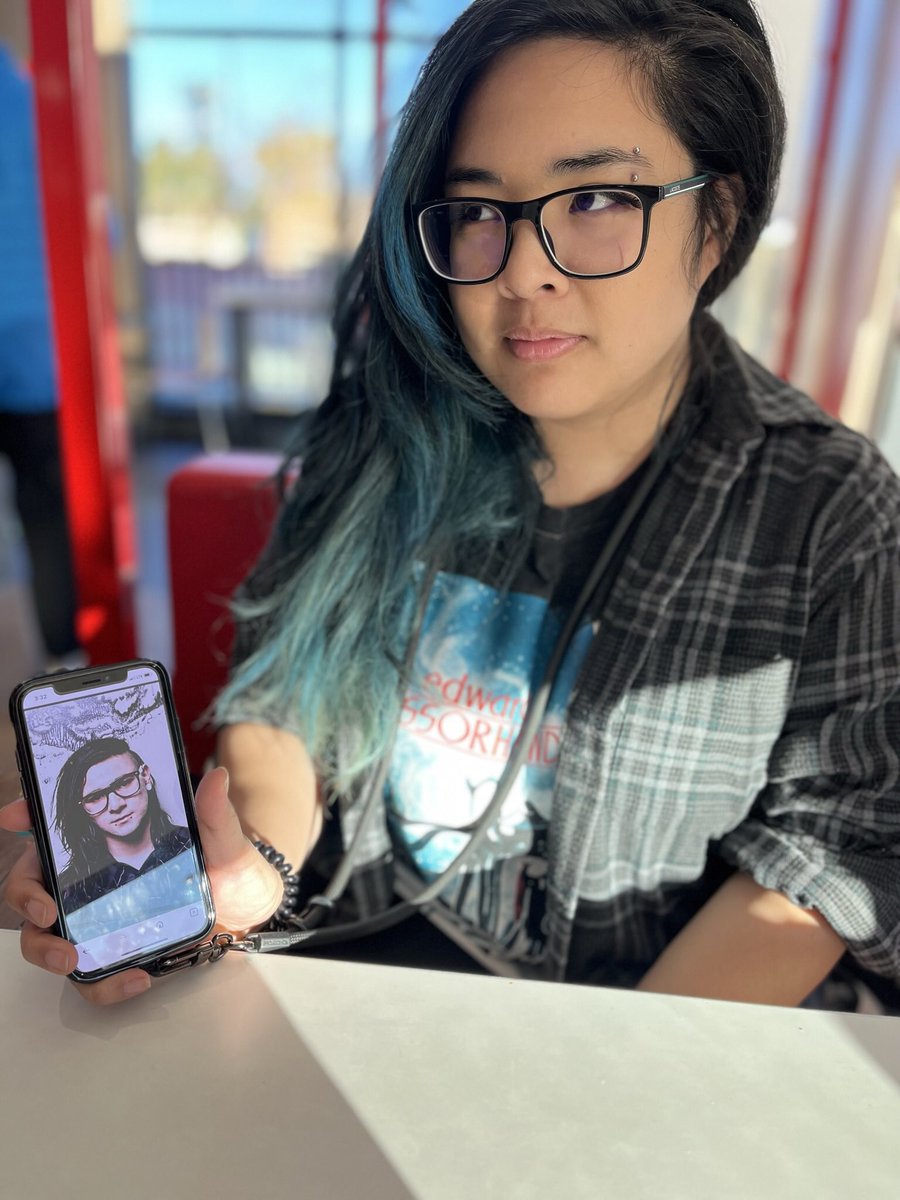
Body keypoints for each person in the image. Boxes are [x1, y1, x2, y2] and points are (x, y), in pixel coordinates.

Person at [3, 0, 900, 1008]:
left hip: (632, 1033)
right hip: (363, 986)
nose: (522, 272)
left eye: (595, 199)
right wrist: (248, 871)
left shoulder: (829, 517)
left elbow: (823, 860)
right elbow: (287, 696)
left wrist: (596, 1084)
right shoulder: (390, 428)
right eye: (477, 212)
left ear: (717, 221)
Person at [0, 43, 81, 665]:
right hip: (36, 356)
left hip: (34, 352)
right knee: (49, 518)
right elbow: (96, 229)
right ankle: (64, 661)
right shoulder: (40, 107)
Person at [52, 737, 191, 914]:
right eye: (95, 797)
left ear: (145, 776)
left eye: (124, 783)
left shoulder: (192, 845)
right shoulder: (70, 889)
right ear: (82, 809)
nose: (116, 805)